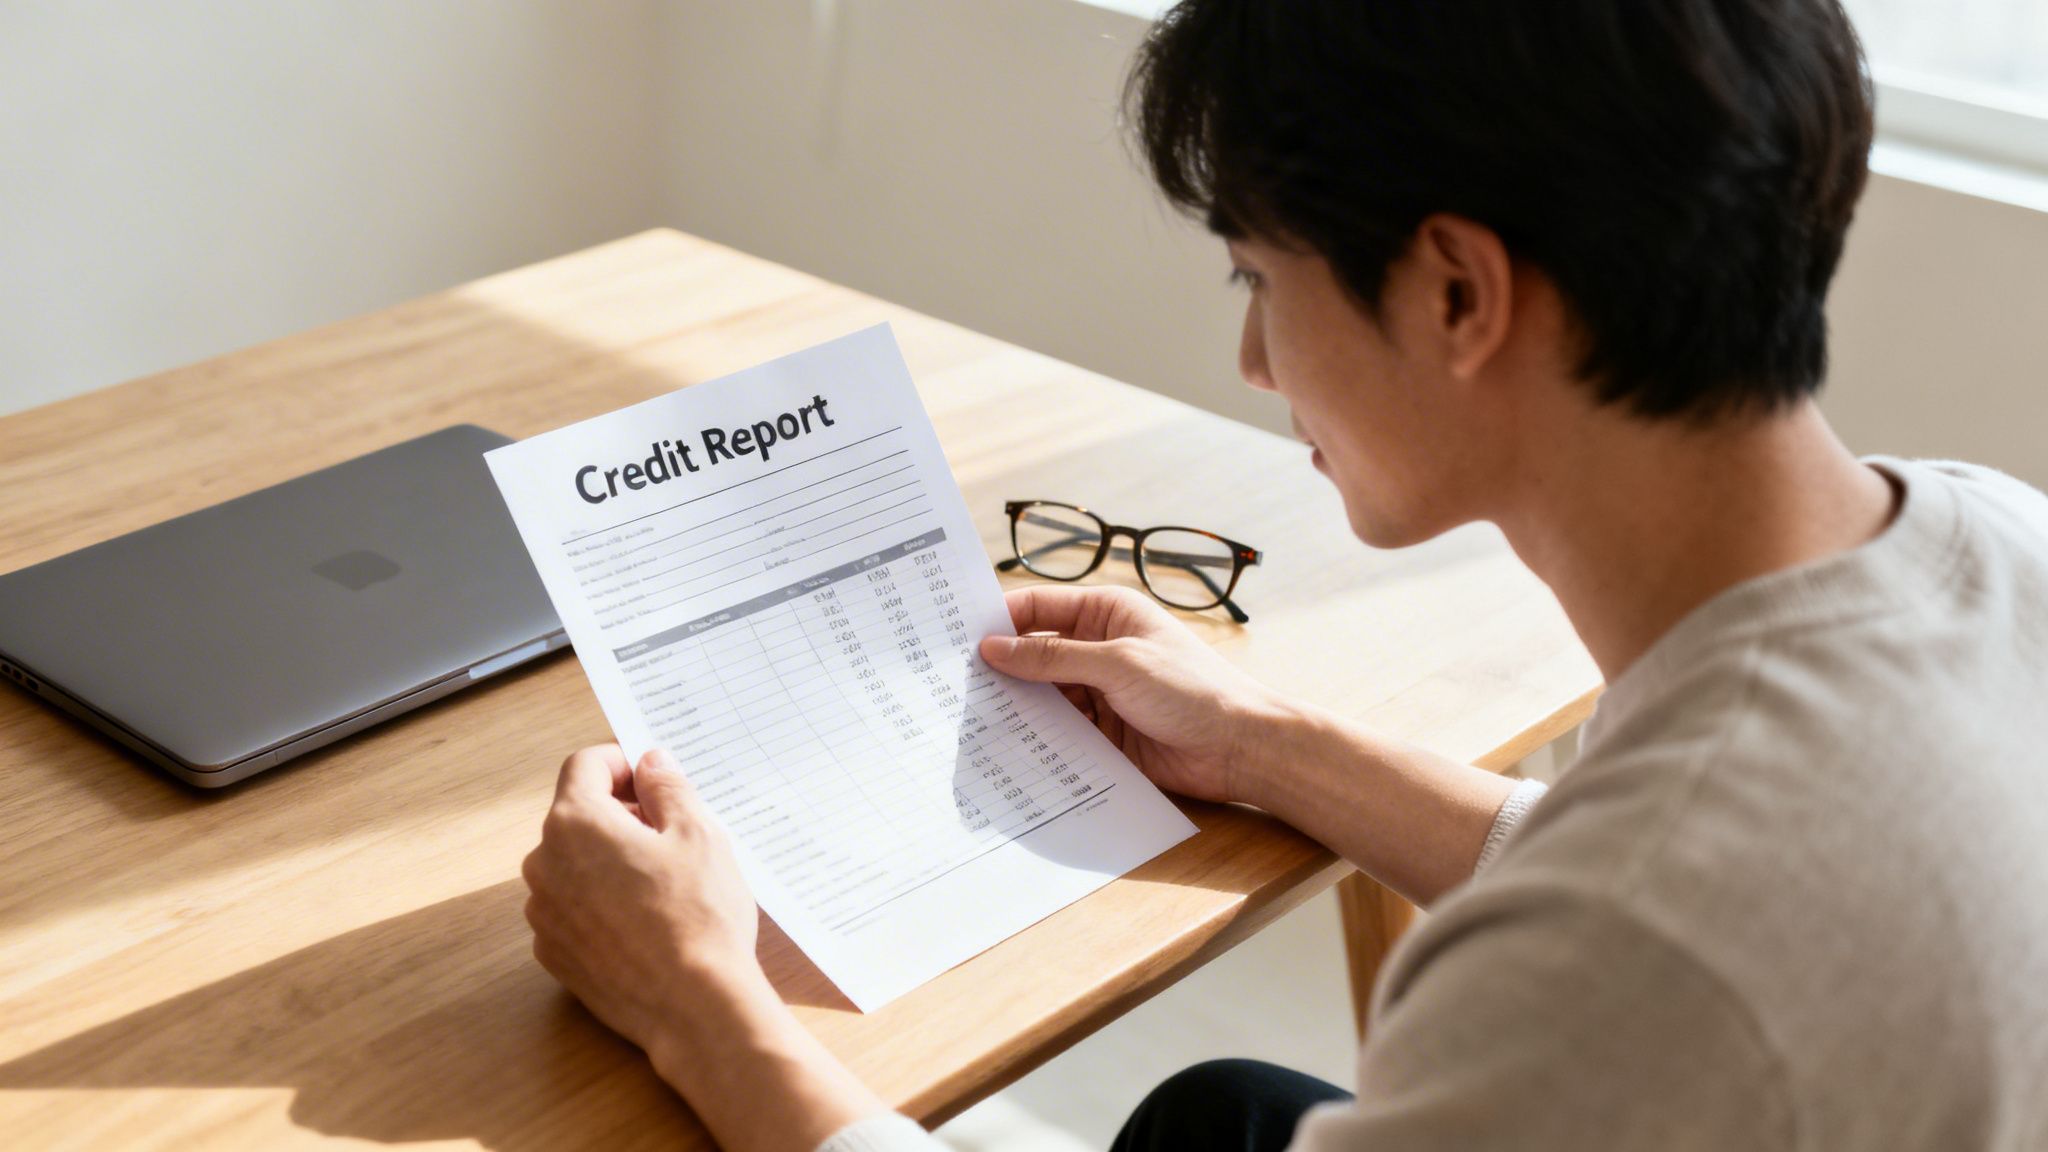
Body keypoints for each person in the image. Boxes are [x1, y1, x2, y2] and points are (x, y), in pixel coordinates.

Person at [519, 0, 2048, 1149]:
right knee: (1227, 1114)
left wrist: (694, 1001)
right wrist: (1268, 746)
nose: (1252, 358)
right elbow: (1710, 892)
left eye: (1258, 276)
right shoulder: (1995, 540)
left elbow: (1655, 933)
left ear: (1457, 291)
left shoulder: (1629, 963)